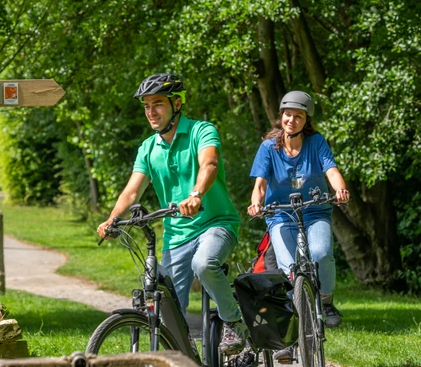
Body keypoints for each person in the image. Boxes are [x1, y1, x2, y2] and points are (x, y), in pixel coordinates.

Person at [97, 73, 248, 353]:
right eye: (146, 106)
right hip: (176, 234)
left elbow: (210, 164)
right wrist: (112, 219)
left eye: (158, 104)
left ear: (176, 104)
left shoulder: (201, 131)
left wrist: (196, 194)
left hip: (215, 223)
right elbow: (132, 192)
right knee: (166, 307)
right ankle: (184, 354)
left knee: (204, 264)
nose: (151, 112)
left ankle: (233, 321)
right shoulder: (148, 148)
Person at [247, 90, 349, 327]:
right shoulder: (268, 148)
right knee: (287, 266)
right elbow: (260, 185)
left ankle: (325, 300)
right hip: (280, 215)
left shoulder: (316, 142)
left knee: (322, 254)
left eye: (298, 117)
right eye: (287, 115)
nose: (291, 120)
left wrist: (340, 190)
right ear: (281, 116)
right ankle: (297, 317)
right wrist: (256, 204)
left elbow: (331, 171)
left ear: (306, 121)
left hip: (315, 212)